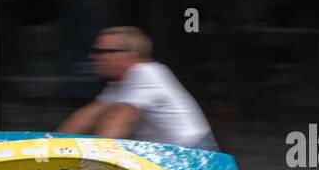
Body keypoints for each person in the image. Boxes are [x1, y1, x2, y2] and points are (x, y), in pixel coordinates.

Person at [59, 26, 216, 150]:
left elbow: (118, 123)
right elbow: (86, 116)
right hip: (171, 156)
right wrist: (50, 145)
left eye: (105, 52)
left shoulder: (145, 73)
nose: (94, 57)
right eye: (96, 51)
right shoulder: (120, 83)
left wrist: (90, 158)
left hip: (192, 155)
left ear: (130, 54)